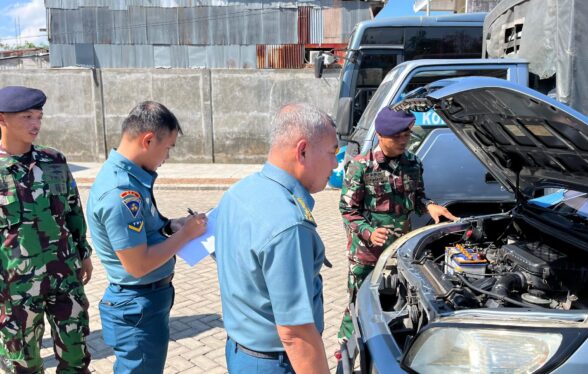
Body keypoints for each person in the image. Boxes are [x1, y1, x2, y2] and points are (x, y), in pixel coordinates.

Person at [215, 103, 337, 373]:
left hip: (241, 352)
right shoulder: (289, 224)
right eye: (332, 152)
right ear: (302, 150)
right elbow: (296, 334)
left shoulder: (239, 192)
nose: (336, 163)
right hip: (275, 363)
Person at [86, 101, 207, 373]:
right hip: (137, 306)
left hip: (145, 302)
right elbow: (137, 265)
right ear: (148, 140)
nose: (168, 156)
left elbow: (145, 229)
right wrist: (187, 234)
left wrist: (172, 225)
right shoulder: (121, 192)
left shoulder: (133, 179)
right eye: (168, 147)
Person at [337, 107, 458, 345]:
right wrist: (370, 232)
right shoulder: (361, 167)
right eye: (397, 136)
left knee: (399, 299)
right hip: (367, 254)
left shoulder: (413, 163)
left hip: (401, 250)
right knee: (358, 302)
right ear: (381, 136)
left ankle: (390, 345)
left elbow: (418, 198)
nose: (404, 140)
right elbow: (347, 210)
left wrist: (429, 206)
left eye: (407, 134)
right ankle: (346, 348)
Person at [0, 86, 93, 373]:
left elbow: (72, 210)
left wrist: (84, 253)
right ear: (2, 118)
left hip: (64, 276)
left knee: (76, 357)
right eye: (27, 116)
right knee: (23, 364)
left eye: (39, 116)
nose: (36, 124)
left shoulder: (53, 161)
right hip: (15, 286)